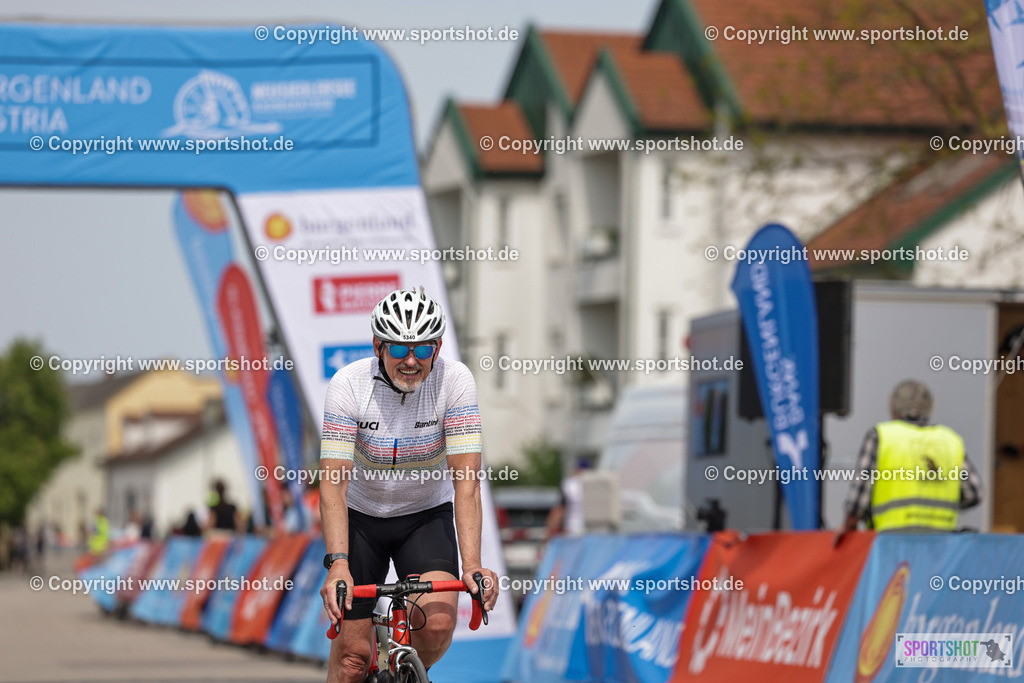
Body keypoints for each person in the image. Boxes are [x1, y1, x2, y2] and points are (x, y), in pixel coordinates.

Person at [318, 287, 499, 683]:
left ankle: (407, 674)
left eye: (423, 349)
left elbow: (466, 482)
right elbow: (333, 485)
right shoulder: (349, 384)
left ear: (437, 347)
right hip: (361, 521)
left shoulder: (456, 381)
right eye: (399, 350)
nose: (412, 361)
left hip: (423, 518)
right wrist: (339, 565)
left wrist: (472, 565)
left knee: (435, 627)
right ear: (378, 347)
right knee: (352, 659)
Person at [835, 379, 983, 544]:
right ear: (929, 408)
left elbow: (859, 499)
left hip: (891, 543)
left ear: (893, 407)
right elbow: (975, 494)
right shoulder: (950, 441)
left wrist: (848, 526)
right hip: (941, 546)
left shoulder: (881, 436)